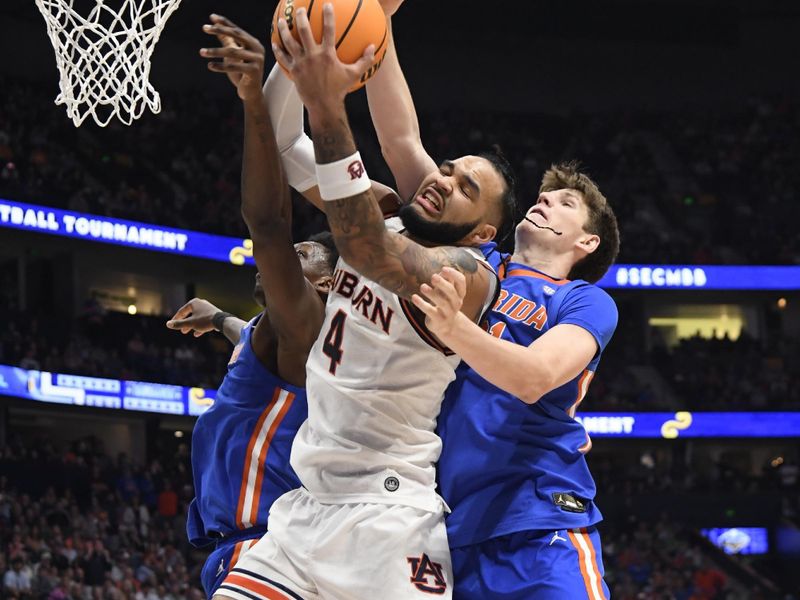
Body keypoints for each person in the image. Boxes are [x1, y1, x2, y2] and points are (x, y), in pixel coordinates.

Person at [210, 5, 517, 599]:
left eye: (465, 190)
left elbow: (366, 249)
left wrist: (326, 102)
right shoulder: (384, 213)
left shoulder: (468, 275)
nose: (444, 181)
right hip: (305, 509)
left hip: (388, 516)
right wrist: (291, 64)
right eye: (447, 170)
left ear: (483, 233)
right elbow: (281, 143)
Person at [165, 20, 339, 598]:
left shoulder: (309, 323)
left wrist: (252, 101)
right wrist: (218, 318)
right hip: (270, 548)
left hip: (265, 552)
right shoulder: (283, 336)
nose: (293, 253)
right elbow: (250, 338)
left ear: (332, 283)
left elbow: (267, 224)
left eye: (307, 252)